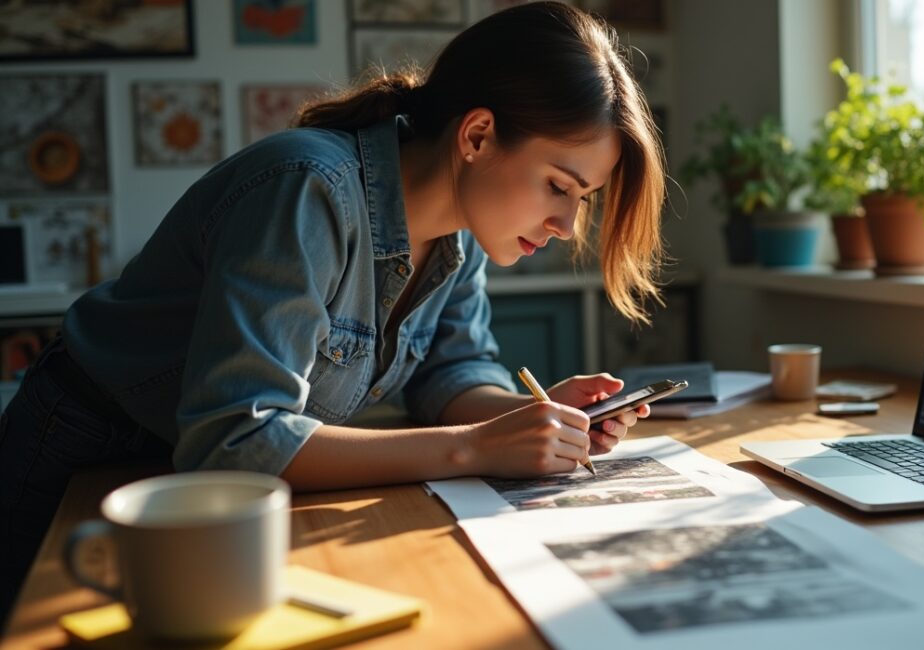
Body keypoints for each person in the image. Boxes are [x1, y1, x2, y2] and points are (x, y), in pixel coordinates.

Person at [0, 1, 666, 625]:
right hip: (84, 451)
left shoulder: (463, 236)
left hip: (195, 482)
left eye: (583, 198)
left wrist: (533, 418)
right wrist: (474, 447)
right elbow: (235, 439)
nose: (565, 225)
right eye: (558, 186)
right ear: (478, 135)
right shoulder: (307, 190)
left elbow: (451, 376)